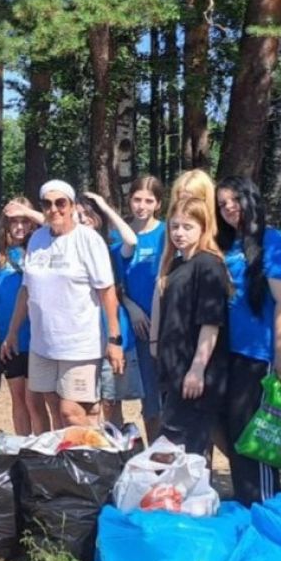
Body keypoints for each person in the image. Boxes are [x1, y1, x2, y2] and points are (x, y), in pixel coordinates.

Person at [216, 176, 281, 505]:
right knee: (232, 426)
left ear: (250, 200)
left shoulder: (276, 244)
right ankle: (247, 498)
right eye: (222, 204)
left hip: (260, 354)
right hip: (230, 352)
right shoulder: (231, 246)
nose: (228, 208)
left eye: (234, 200)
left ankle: (266, 502)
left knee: (259, 433)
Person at [6, 179, 124, 429]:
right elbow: (26, 290)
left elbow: (107, 291)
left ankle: (90, 463)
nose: (54, 209)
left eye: (61, 203)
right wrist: (12, 332)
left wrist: (114, 340)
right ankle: (63, 465)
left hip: (79, 345)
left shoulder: (88, 240)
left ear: (71, 205)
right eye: (47, 204)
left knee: (72, 412)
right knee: (54, 408)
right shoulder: (37, 239)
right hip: (43, 344)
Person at [151, 197, 231, 457]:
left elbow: (211, 323)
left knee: (181, 445)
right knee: (179, 447)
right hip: (173, 369)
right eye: (175, 226)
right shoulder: (176, 265)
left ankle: (188, 495)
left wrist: (197, 369)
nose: (179, 233)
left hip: (195, 373)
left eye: (188, 227)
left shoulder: (209, 265)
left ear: (203, 227)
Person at [79, 194, 144, 428]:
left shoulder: (113, 247)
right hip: (82, 337)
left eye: (88, 214)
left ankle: (118, 454)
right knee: (87, 404)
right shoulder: (70, 247)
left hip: (113, 332)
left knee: (110, 401)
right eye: (78, 215)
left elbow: (132, 241)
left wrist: (105, 206)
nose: (83, 219)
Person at [114, 175, 166, 441]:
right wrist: (130, 306)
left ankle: (158, 459)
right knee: (114, 396)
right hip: (129, 325)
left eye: (148, 200)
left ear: (158, 203)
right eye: (137, 199)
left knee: (154, 400)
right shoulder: (118, 233)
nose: (141, 206)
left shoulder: (167, 233)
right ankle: (123, 455)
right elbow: (112, 281)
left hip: (158, 327)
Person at [0, 198, 46, 435]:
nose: (19, 227)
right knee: (18, 397)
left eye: (24, 221)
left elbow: (56, 225)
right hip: (9, 339)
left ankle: (41, 449)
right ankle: (22, 447)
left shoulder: (43, 249)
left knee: (35, 399)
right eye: (14, 222)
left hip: (36, 336)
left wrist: (29, 210)